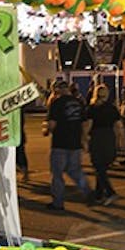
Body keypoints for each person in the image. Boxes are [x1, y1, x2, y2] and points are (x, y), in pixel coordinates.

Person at [44, 78, 94, 211]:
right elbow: (85, 122)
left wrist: (47, 130)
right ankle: (88, 193)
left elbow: (52, 124)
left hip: (60, 142)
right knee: (75, 171)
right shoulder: (78, 102)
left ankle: (58, 203)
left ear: (57, 89)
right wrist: (83, 139)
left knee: (57, 174)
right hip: (75, 142)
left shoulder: (57, 103)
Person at [86, 84, 121, 204]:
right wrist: (121, 140)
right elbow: (119, 126)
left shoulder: (92, 108)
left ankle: (111, 192)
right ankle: (98, 194)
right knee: (102, 167)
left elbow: (89, 125)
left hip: (97, 137)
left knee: (98, 166)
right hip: (109, 136)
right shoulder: (112, 108)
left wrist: (84, 138)